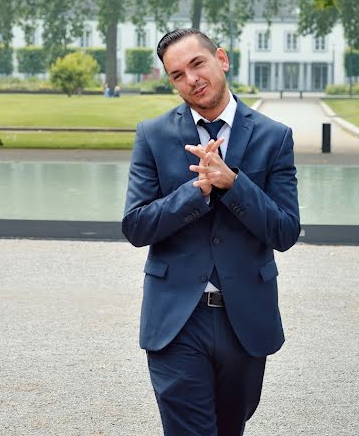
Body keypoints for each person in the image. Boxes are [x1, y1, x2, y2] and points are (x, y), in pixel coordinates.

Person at [122, 28, 300, 436]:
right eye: (177, 75)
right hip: (176, 320)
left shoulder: (274, 138)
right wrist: (195, 191)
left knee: (228, 429)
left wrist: (233, 183)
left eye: (197, 64)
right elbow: (135, 226)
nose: (191, 80)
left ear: (221, 58)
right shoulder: (153, 135)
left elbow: (286, 231)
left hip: (244, 319)